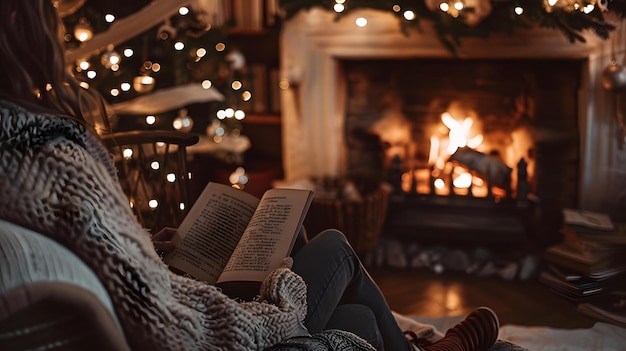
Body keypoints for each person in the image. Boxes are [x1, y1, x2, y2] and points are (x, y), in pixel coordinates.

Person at [0, 1, 500, 350]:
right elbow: (174, 329)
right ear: (28, 30)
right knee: (330, 245)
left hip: (175, 305)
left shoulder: (18, 158)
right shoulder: (50, 157)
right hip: (209, 333)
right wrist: (281, 283)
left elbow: (114, 264)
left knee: (362, 320)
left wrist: (149, 248)